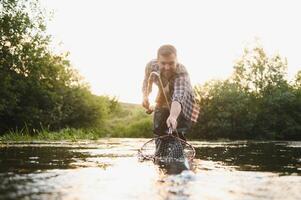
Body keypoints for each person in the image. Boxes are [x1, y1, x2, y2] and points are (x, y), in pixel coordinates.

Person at [142, 44, 200, 141]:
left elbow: (178, 96)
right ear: (157, 60)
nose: (167, 67)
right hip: (163, 98)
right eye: (163, 63)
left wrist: (173, 116)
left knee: (176, 134)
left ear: (177, 60)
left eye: (171, 63)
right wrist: (145, 97)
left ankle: (177, 153)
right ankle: (160, 154)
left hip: (184, 103)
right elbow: (147, 82)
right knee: (159, 132)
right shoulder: (151, 66)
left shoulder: (181, 72)